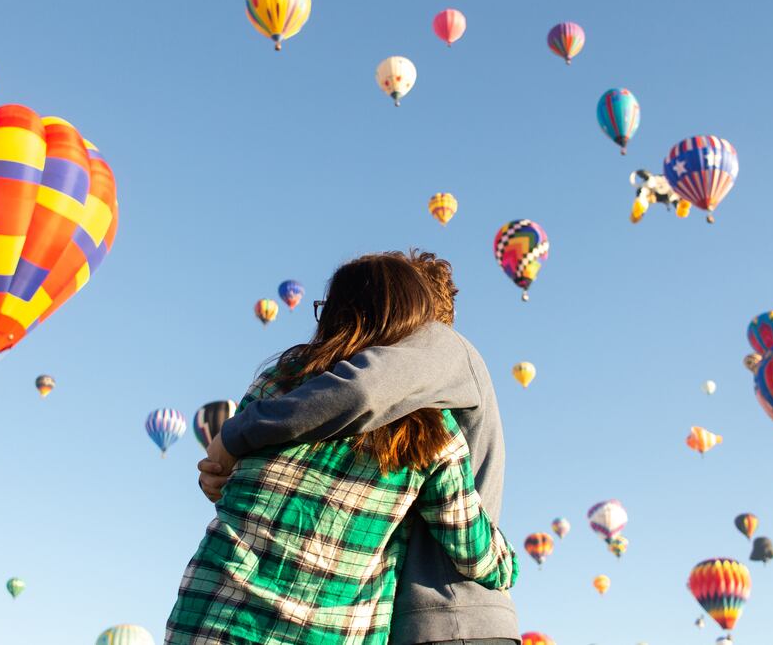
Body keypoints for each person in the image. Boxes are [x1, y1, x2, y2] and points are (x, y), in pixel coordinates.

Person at [166, 253, 517, 645]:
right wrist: (507, 564)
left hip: (210, 617)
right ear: (413, 319)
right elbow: (472, 548)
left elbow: (240, 496)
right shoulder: (430, 431)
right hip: (326, 631)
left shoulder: (279, 379)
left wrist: (227, 445)